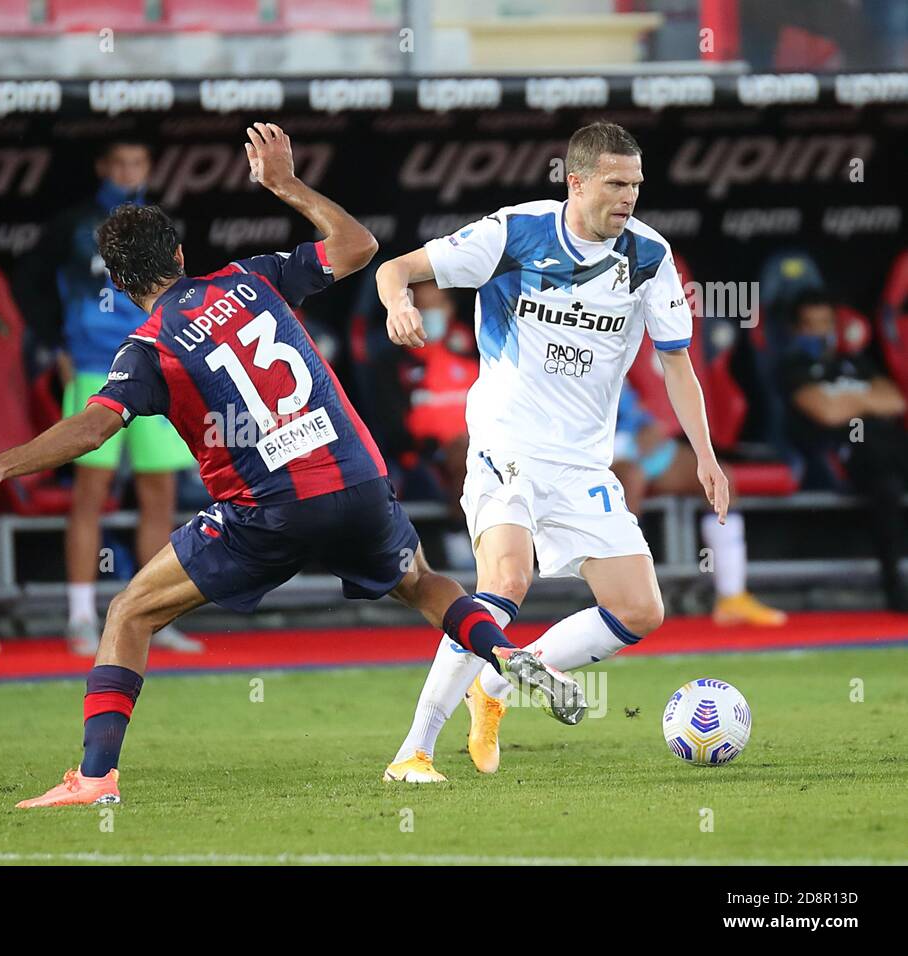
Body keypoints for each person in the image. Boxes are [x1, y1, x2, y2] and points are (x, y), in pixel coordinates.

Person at [0, 123, 584, 806]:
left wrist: (4, 464)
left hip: (267, 512)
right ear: (183, 254)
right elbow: (360, 246)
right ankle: (503, 653)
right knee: (422, 583)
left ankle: (96, 779)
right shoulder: (251, 277)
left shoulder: (148, 346)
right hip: (356, 481)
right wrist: (285, 184)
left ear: (121, 284)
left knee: (129, 613)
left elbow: (94, 427)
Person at [375, 120, 730, 777]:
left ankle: (499, 684)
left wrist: (704, 455)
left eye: (637, 184)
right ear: (576, 181)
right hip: (505, 439)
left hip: (581, 460)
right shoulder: (515, 233)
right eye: (616, 183)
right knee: (508, 578)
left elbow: (677, 362)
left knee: (641, 607)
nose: (629, 196)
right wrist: (399, 304)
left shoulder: (650, 257)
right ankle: (415, 750)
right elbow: (396, 268)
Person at [21, 140, 200, 655]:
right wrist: (57, 343)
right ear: (102, 166)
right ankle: (80, 616)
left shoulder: (158, 224)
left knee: (159, 497)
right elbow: (30, 284)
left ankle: (153, 617)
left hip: (155, 360)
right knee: (90, 495)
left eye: (138, 162)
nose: (128, 171)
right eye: (119, 163)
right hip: (97, 366)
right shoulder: (72, 225)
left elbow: (177, 288)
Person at [612, 381, 785, 626]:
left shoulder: (612, 349)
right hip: (598, 450)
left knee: (718, 478)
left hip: (638, 443)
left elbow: (630, 405)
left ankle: (732, 597)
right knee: (631, 482)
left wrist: (649, 427)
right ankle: (626, 600)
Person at [783, 291, 908, 609]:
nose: (819, 332)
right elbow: (826, 412)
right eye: (811, 325)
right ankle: (894, 585)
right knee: (885, 481)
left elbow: (895, 401)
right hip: (843, 451)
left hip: (889, 444)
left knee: (888, 454)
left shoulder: (852, 361)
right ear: (798, 330)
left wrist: (848, 401)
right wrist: (867, 399)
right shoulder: (792, 367)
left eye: (825, 323)